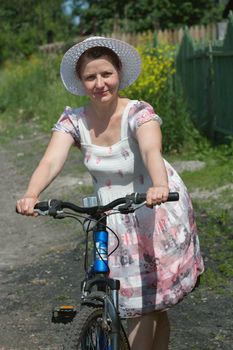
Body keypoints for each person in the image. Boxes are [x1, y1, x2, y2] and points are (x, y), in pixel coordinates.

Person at [16, 36, 204, 350]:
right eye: (91, 76)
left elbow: (150, 150)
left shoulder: (138, 113)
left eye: (107, 74)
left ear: (119, 73)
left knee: (151, 304)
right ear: (81, 81)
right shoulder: (74, 121)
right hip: (111, 216)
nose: (100, 83)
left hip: (153, 207)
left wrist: (159, 186)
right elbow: (51, 160)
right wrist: (31, 193)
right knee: (135, 301)